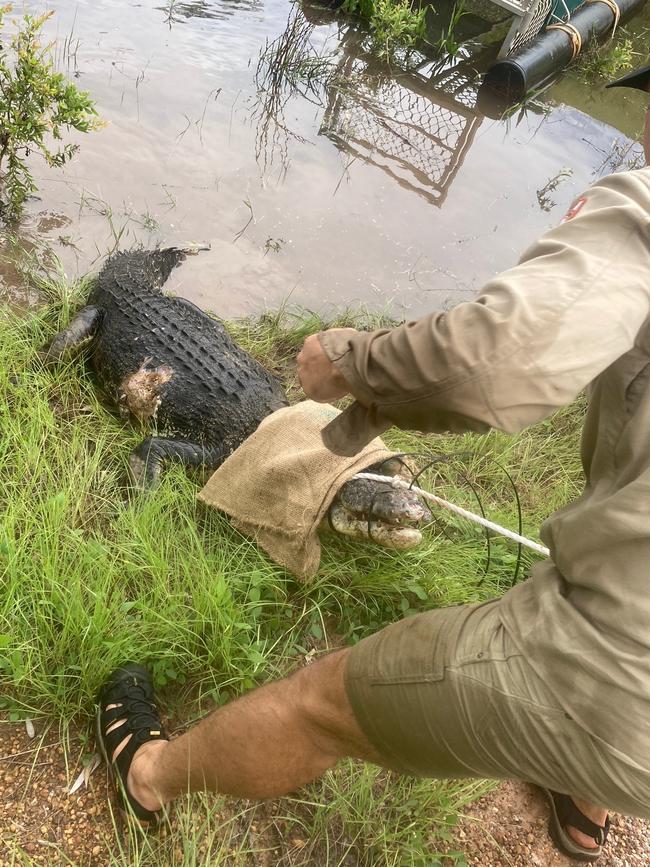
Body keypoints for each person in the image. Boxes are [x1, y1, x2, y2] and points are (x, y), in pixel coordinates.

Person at [97, 64, 650, 863]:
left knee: (320, 700)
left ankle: (144, 774)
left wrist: (354, 357)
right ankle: (587, 792)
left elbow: (493, 360)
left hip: (626, 685)